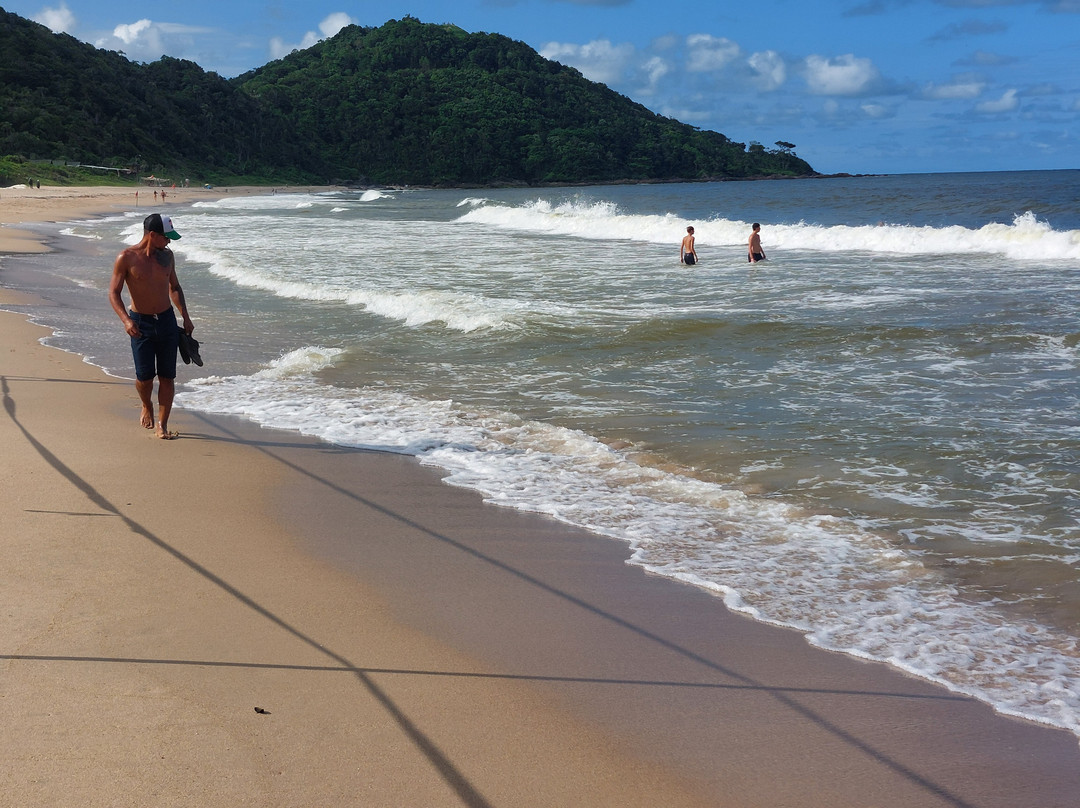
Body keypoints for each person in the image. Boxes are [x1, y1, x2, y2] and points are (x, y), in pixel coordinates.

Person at [108, 213, 194, 439]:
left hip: (166, 321)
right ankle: (146, 404)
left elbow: (174, 287)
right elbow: (114, 293)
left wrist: (185, 316)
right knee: (144, 378)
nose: (169, 242)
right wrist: (126, 320)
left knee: (167, 377)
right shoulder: (126, 258)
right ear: (153, 235)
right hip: (140, 323)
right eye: (167, 237)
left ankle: (162, 425)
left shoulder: (168, 257)